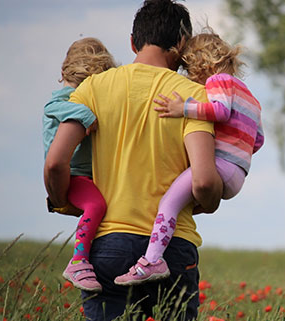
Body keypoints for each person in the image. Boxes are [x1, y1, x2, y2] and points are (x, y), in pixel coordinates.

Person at [43, 0, 224, 319]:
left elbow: (56, 163)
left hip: (107, 245)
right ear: (181, 45)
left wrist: (63, 201)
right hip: (173, 249)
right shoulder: (192, 96)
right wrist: (207, 202)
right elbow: (205, 180)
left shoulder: (92, 88)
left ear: (132, 41)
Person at [114, 30, 264, 286]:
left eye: (188, 68)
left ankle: (151, 261)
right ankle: (159, 250)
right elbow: (258, 140)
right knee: (182, 202)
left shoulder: (218, 81)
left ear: (201, 64)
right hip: (238, 173)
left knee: (168, 203)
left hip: (220, 166)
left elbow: (220, 111)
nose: (188, 76)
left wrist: (182, 108)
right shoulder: (250, 97)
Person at [43, 37, 115, 292]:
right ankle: (78, 260)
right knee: (96, 205)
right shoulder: (65, 99)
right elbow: (55, 107)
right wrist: (86, 115)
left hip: (85, 175)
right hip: (72, 175)